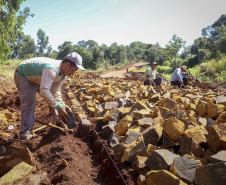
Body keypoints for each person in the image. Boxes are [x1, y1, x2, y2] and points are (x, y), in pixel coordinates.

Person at [14, 52, 85, 140]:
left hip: (38, 77)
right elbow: (44, 91)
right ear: (67, 64)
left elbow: (55, 90)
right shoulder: (51, 69)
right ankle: (25, 134)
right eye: (74, 70)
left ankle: (56, 120)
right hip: (24, 75)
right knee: (29, 103)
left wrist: (62, 104)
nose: (73, 73)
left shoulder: (64, 74)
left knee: (54, 99)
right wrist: (58, 106)